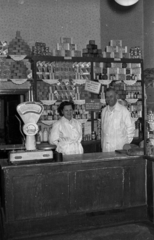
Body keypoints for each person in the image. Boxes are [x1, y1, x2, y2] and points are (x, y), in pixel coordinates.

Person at [101, 87, 135, 152]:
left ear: (116, 96)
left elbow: (131, 128)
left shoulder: (123, 111)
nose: (108, 99)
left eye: (111, 96)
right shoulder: (104, 111)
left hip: (119, 148)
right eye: (107, 97)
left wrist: (126, 143)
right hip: (106, 149)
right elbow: (103, 131)